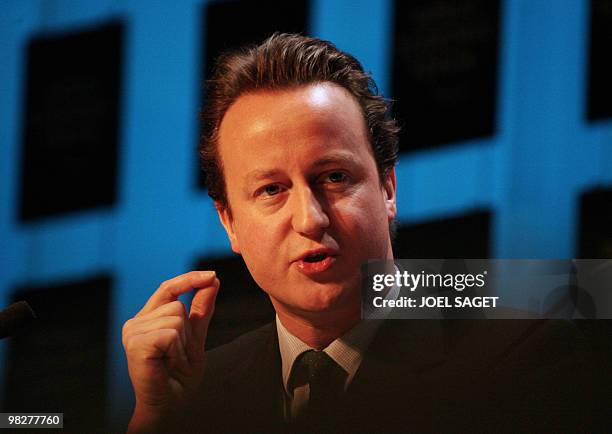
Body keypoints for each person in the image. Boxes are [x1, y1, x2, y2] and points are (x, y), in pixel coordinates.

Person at [122, 34, 609, 433]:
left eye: (334, 177)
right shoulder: (196, 399)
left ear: (388, 187)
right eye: (271, 189)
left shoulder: (520, 361)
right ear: (229, 222)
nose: (310, 219)